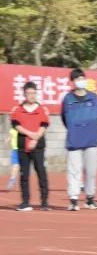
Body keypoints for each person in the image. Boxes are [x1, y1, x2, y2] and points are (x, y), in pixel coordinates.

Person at [61, 68, 97, 211]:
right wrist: (74, 128)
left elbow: (96, 117)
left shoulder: (94, 97)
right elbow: (64, 118)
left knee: (91, 171)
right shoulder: (67, 99)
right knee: (74, 171)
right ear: (72, 82)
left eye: (82, 78)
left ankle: (90, 199)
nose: (80, 81)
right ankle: (73, 200)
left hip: (90, 139)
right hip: (74, 140)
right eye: (77, 79)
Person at [11, 82, 50, 211]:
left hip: (38, 147)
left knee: (41, 173)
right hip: (23, 147)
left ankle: (44, 202)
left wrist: (36, 137)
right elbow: (16, 125)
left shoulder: (41, 109)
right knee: (24, 175)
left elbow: (44, 125)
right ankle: (25, 202)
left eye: (34, 93)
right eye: (29, 93)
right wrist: (29, 134)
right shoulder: (18, 109)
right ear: (24, 94)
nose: (31, 96)